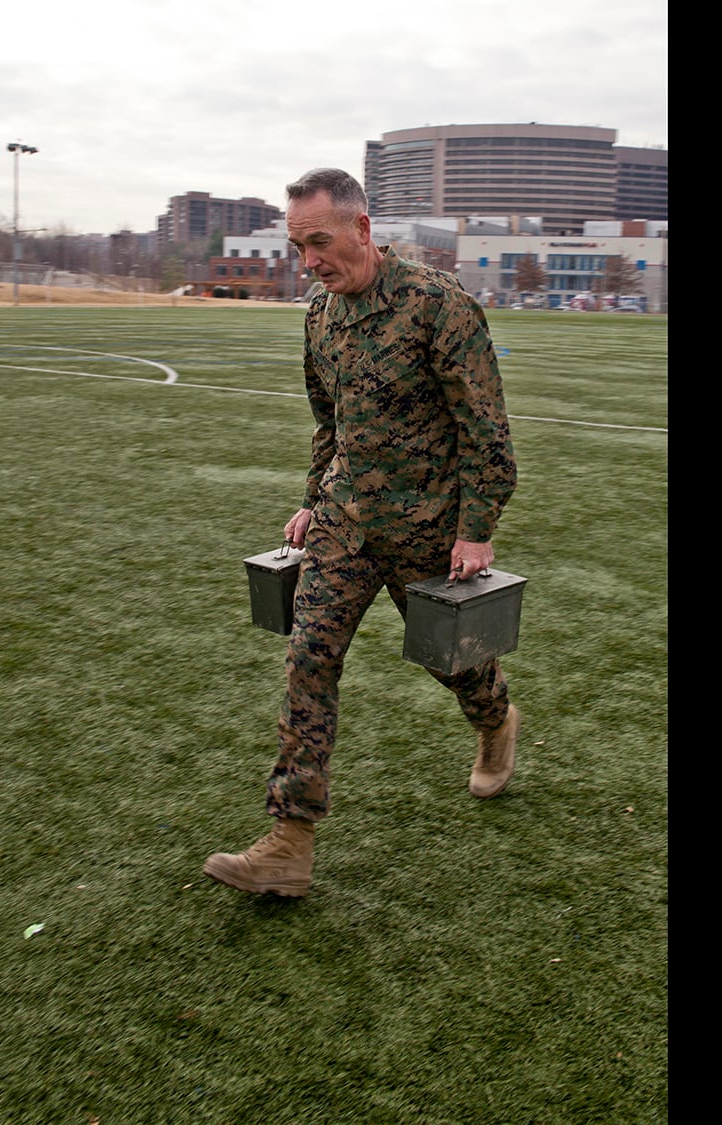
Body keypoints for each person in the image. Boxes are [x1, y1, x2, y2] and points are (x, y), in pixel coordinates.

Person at [204, 168, 520, 898]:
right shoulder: (318, 315)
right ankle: (289, 841)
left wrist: (476, 529)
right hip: (345, 526)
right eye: (297, 246)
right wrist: (314, 500)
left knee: (453, 664)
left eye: (319, 242)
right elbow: (331, 425)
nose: (309, 260)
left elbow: (488, 435)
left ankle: (496, 719)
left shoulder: (438, 306)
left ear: (362, 230)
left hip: (429, 533)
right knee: (308, 659)